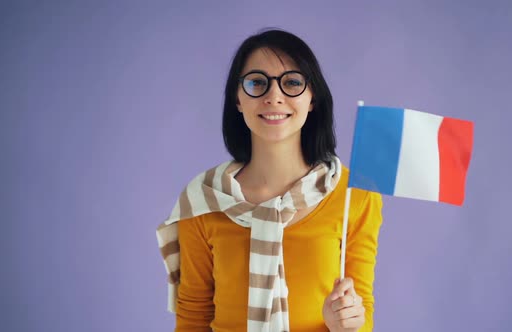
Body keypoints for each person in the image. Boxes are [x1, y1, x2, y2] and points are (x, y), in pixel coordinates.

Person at [156, 29, 383, 332]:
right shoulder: (204, 198)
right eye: (257, 83)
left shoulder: (355, 194)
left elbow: (362, 310)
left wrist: (346, 325)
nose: (274, 96)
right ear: (238, 99)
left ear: (312, 97)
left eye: (291, 82)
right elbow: (193, 318)